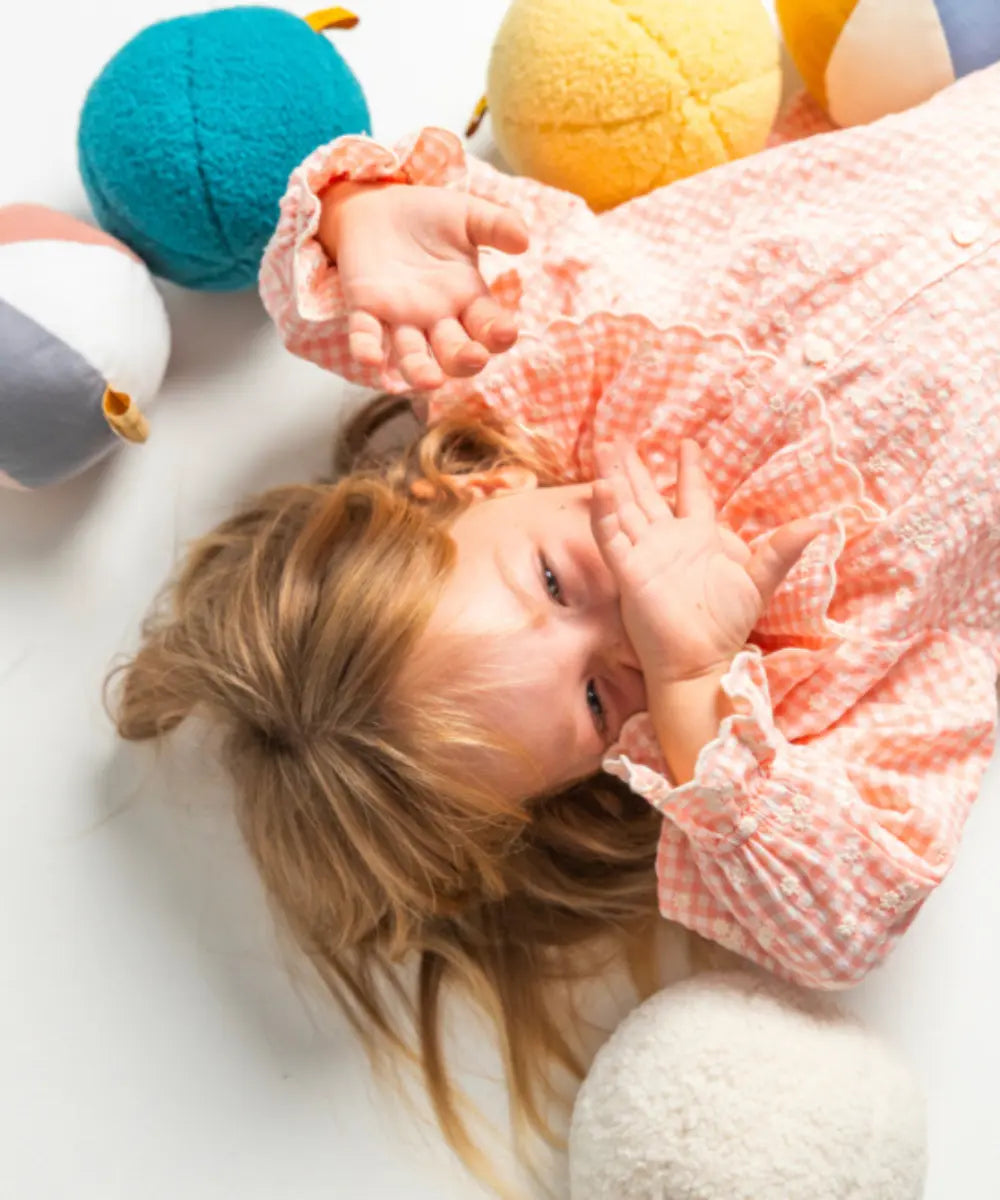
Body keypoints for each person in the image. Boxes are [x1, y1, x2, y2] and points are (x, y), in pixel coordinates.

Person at [113, 69, 1000, 1169]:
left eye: (549, 582)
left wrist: (361, 219)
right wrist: (688, 690)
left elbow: (363, 286)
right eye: (593, 698)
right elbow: (841, 922)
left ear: (460, 491)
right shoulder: (792, 716)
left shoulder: (545, 361)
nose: (625, 622)